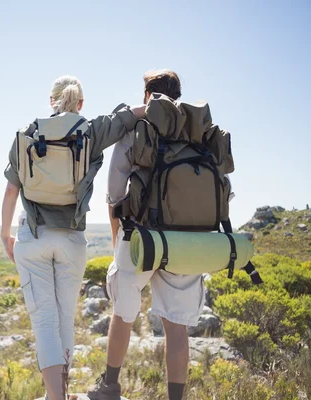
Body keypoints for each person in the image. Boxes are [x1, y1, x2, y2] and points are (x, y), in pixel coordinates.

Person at [0, 75, 145, 400]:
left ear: (51, 100)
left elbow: (11, 190)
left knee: (45, 322)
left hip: (32, 237)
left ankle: (56, 397)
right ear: (80, 104)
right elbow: (133, 115)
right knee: (65, 319)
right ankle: (60, 394)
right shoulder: (90, 131)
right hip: (72, 241)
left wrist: (4, 234)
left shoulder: (27, 134)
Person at [87, 70, 202, 400]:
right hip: (187, 241)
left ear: (147, 95)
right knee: (176, 326)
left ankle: (109, 386)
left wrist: (116, 238)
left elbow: (113, 193)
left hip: (140, 237)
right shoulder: (196, 131)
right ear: (178, 95)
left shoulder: (138, 127)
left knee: (123, 312)